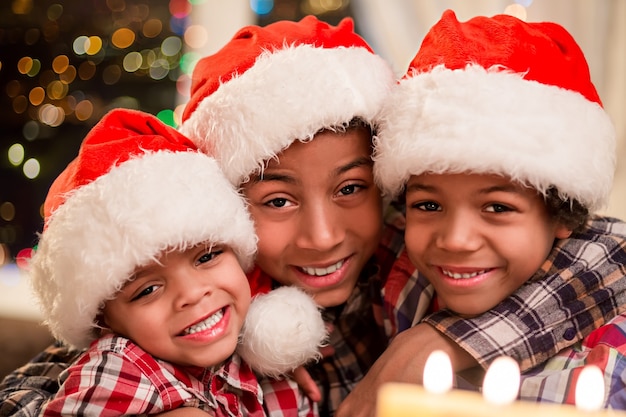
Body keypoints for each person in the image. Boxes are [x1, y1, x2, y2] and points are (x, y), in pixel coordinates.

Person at [2, 14, 626, 417]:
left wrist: (427, 344)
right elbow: (40, 388)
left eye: (351, 188)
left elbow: (609, 253)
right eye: (276, 201)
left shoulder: (408, 249)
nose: (324, 236)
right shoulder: (202, 303)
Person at [371, 9, 626, 408]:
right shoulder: (400, 278)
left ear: (562, 214)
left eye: (497, 207)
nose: (455, 239)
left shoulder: (607, 361)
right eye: (429, 204)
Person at [28, 108, 326, 416]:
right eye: (147, 290)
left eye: (207, 256)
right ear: (106, 322)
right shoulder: (123, 365)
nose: (192, 294)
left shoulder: (271, 360)